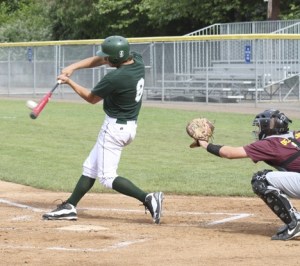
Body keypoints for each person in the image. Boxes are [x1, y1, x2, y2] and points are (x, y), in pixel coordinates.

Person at [42, 35, 164, 224]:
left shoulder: (115, 77)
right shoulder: (136, 61)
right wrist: (73, 67)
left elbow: (91, 98)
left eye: (107, 58)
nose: (104, 60)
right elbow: (102, 58)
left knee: (107, 177)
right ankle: (70, 206)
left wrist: (69, 82)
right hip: (128, 125)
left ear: (115, 60)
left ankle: (148, 198)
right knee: (90, 167)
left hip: (114, 128)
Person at [196, 109, 300, 240]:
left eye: (260, 126)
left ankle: (295, 222)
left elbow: (230, 153)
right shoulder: (296, 134)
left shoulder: (270, 144)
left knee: (260, 179)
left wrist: (204, 144)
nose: (258, 130)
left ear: (268, 127)